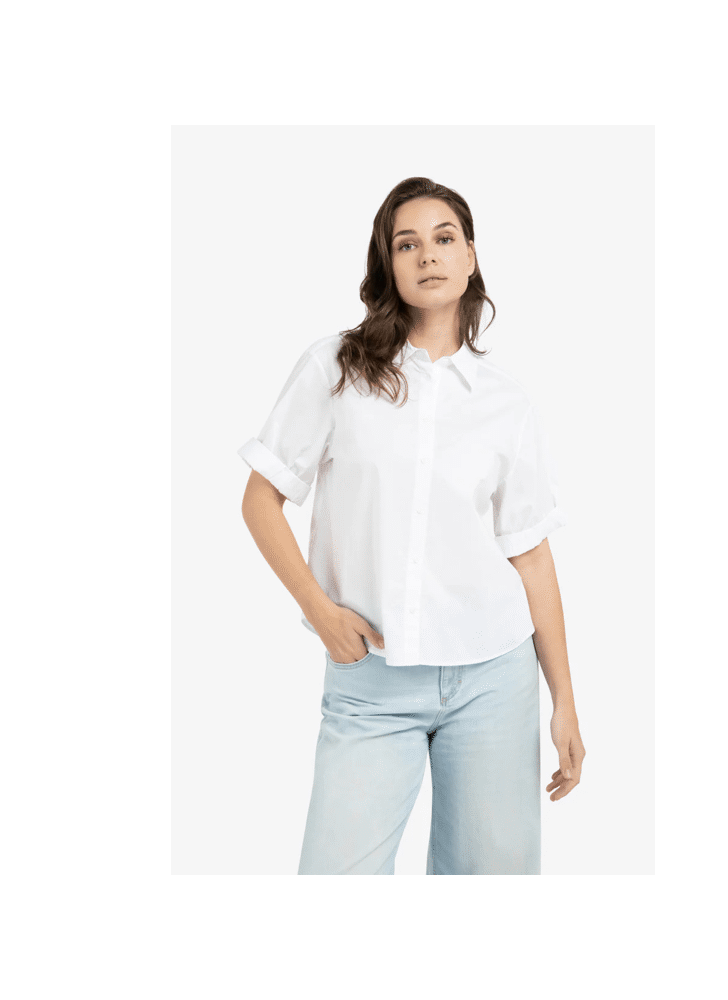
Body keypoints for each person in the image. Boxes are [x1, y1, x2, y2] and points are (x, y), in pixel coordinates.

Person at [239, 176, 585, 875]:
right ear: (388, 264)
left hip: (493, 678)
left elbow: (531, 556)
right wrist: (321, 613)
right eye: (406, 244)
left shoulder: (506, 403)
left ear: (471, 257)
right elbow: (260, 499)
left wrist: (565, 702)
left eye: (444, 238)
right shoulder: (337, 368)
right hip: (370, 679)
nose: (428, 255)